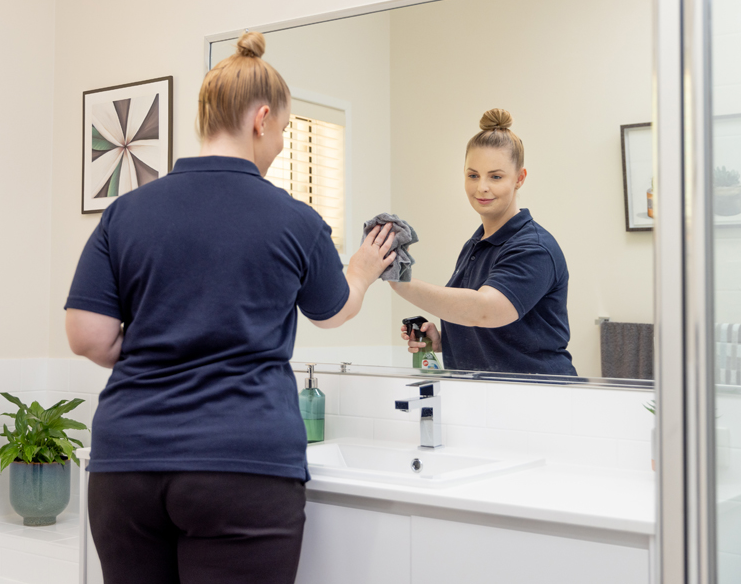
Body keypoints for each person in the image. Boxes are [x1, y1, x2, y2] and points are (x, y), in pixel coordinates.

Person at [64, 31, 397, 584]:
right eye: (284, 130)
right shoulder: (294, 219)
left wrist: (159, 348)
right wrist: (361, 271)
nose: (283, 144)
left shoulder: (127, 211)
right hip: (242, 466)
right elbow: (332, 311)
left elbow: (87, 336)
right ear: (261, 119)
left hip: (127, 466)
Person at [393, 109, 576, 376]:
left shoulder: (533, 248)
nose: (482, 187)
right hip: (484, 392)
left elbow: (484, 310)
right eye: (473, 175)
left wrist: (400, 280)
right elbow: (484, 323)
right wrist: (444, 341)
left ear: (520, 178)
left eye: (496, 176)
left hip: (538, 393)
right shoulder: (476, 244)